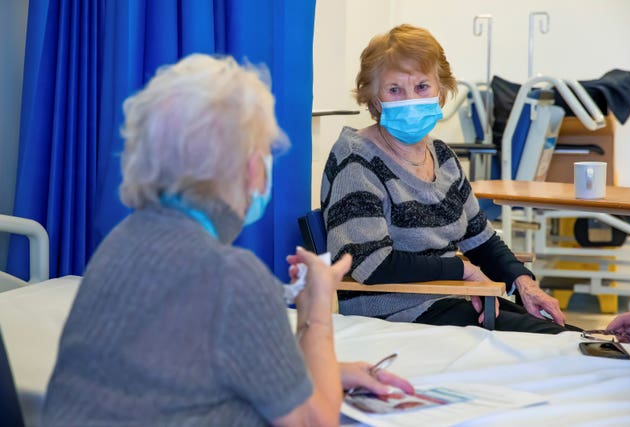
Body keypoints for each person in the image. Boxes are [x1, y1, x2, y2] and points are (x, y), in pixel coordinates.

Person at [42, 54, 413, 427]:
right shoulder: (229, 275)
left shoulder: (121, 243)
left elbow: (188, 363)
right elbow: (313, 423)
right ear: (252, 167)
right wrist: (316, 309)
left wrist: (329, 372)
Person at [320, 24, 581, 334]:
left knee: (574, 337)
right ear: (374, 99)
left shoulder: (442, 157)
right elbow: (370, 263)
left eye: (421, 86)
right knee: (559, 343)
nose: (410, 99)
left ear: (440, 91)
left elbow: (480, 238)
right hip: (400, 313)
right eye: (394, 90)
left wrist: (524, 283)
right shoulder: (357, 160)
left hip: (454, 299)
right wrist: (463, 271)